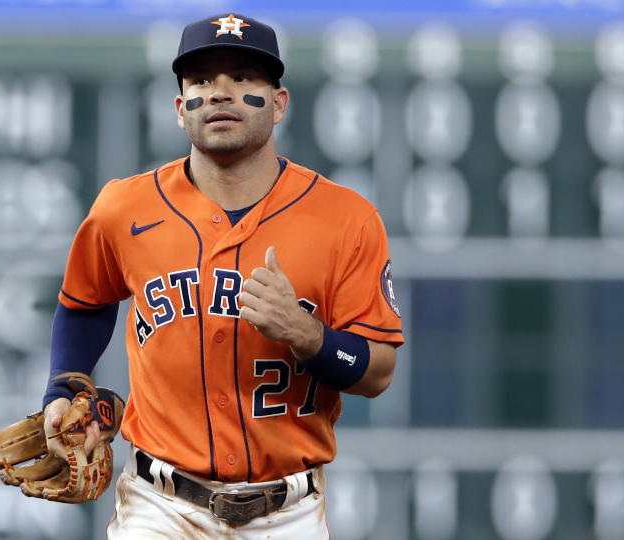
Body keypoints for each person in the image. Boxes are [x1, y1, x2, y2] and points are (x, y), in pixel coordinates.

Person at [41, 12, 404, 538]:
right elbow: (85, 302)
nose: (220, 93)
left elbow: (378, 371)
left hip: (289, 512)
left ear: (278, 103)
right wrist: (58, 390)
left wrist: (308, 336)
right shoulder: (125, 207)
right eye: (203, 81)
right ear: (180, 108)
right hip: (159, 505)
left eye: (243, 77)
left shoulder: (346, 219)